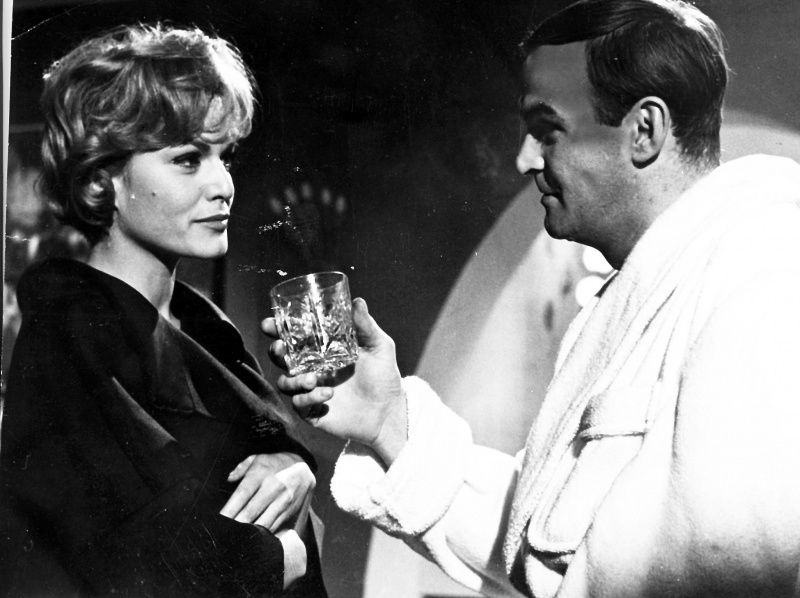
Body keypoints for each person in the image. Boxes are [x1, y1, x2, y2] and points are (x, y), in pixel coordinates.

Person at [264, 0, 800, 596]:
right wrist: (388, 423)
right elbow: (550, 538)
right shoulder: (657, 286)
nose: (525, 159)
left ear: (644, 131)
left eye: (547, 129)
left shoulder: (765, 277)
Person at [0, 24, 327, 597]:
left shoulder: (206, 329)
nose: (223, 185)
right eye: (188, 159)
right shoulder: (67, 338)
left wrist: (292, 466)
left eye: (225, 157)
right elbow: (134, 560)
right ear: (103, 179)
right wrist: (286, 555)